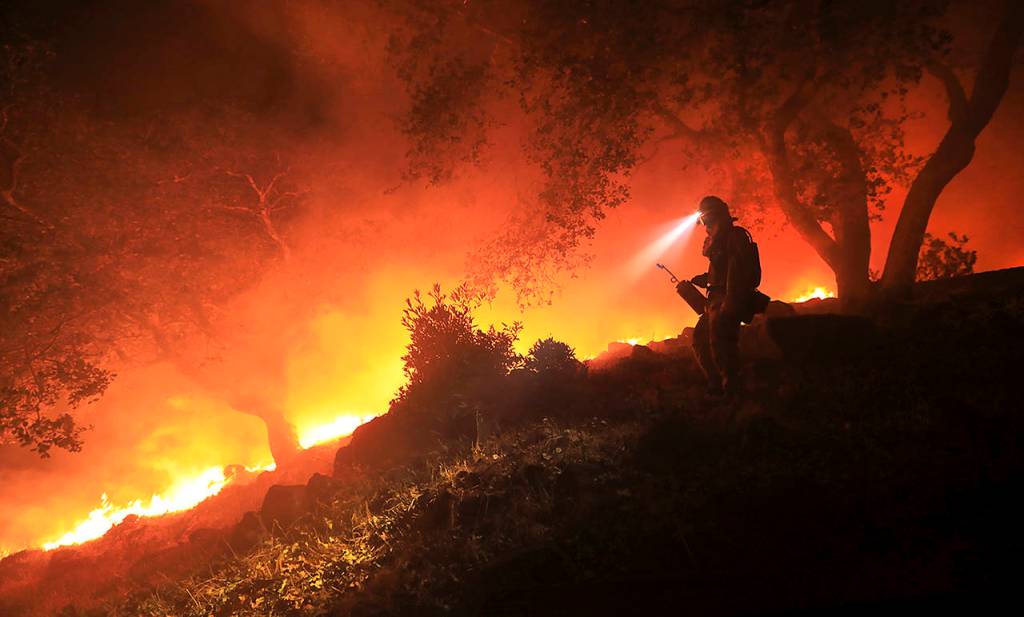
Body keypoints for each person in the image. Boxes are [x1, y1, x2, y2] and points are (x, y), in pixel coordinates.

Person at [683, 195, 760, 397]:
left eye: (705, 216)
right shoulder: (720, 240)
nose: (704, 223)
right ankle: (716, 384)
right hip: (716, 298)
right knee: (701, 339)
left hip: (727, 297)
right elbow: (723, 267)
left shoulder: (735, 237)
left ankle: (733, 387)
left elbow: (738, 270)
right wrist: (705, 278)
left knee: (722, 343)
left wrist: (731, 301)